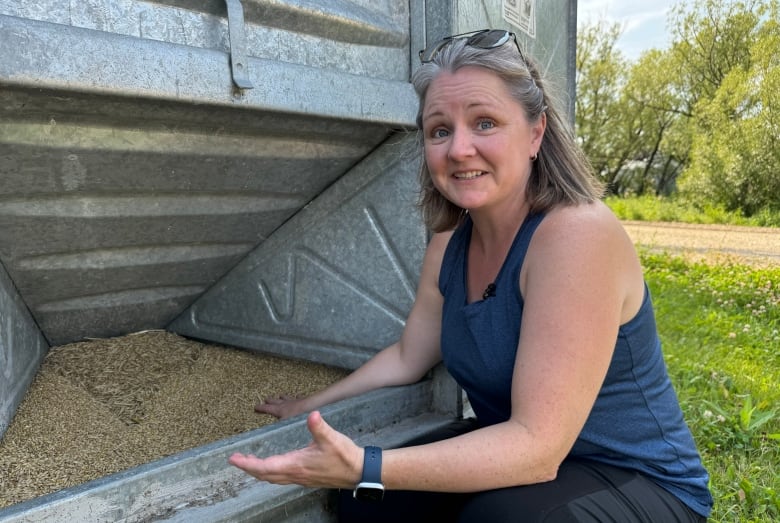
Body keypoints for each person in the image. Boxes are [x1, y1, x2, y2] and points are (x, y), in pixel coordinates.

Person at [229, 29, 713, 522]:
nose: (459, 149)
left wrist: (364, 463)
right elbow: (407, 357)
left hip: (638, 480)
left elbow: (537, 448)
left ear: (535, 133)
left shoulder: (576, 235)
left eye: (484, 123)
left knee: (498, 518)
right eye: (440, 130)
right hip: (526, 459)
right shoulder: (449, 242)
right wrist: (309, 404)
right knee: (367, 505)